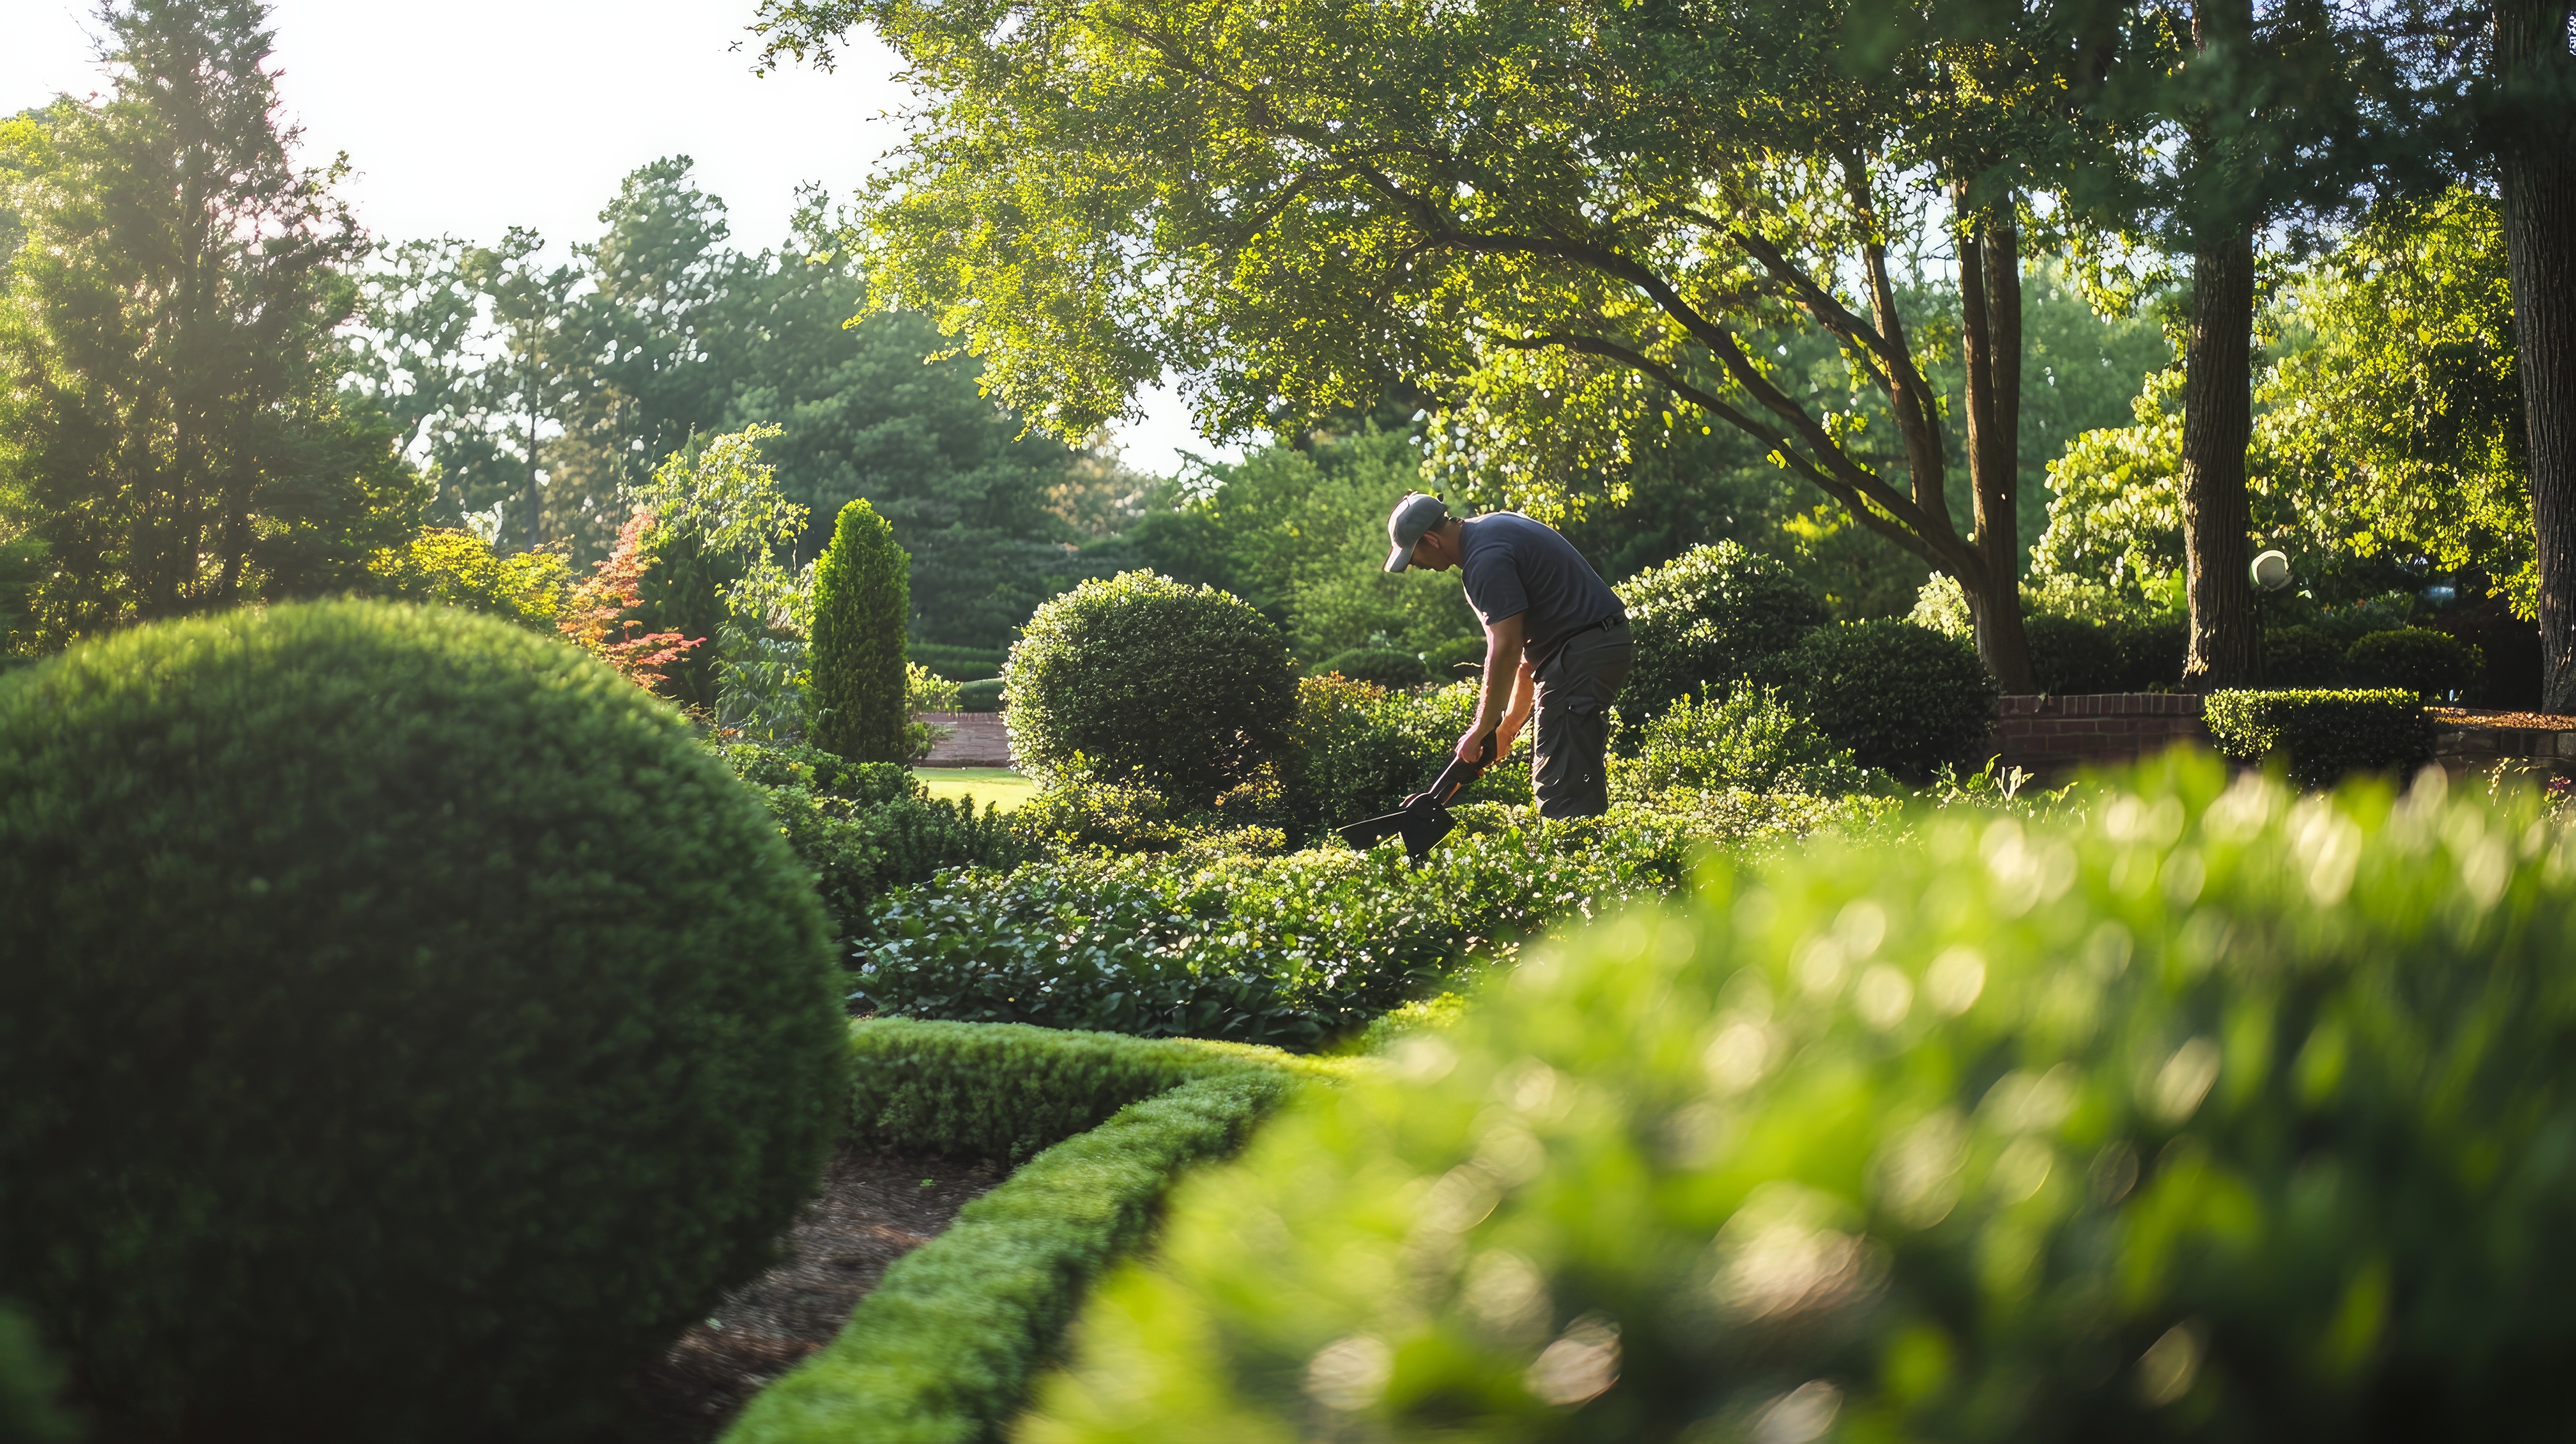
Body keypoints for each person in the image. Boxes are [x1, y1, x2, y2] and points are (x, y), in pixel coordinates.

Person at [1384, 492, 1631, 818]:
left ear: (1431, 539)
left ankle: (1581, 860)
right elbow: (1528, 660)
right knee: (1573, 774)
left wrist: (1480, 728)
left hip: (1580, 653)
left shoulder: (1483, 561)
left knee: (1560, 790)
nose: (1418, 566)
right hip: (1594, 645)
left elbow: (1507, 648)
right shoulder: (1495, 526)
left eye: (1414, 558)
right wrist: (1504, 730)